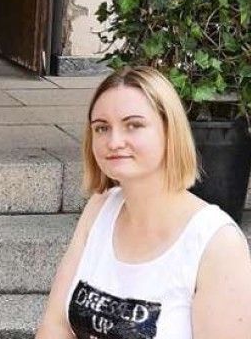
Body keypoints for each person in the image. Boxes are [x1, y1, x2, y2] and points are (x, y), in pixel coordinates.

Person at [35, 66, 251, 339]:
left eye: (133, 125)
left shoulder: (216, 242)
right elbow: (56, 326)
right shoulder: (100, 207)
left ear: (169, 131)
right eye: (101, 128)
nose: (113, 141)